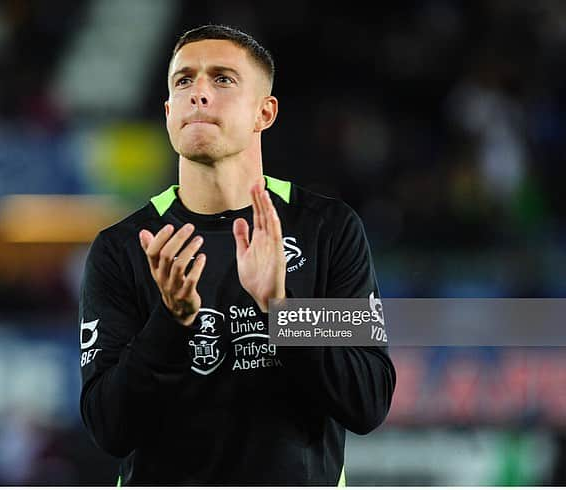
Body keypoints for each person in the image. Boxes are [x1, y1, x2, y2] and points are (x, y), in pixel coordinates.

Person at [79, 24, 396, 485]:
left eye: (223, 79)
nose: (198, 93)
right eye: (183, 81)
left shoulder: (324, 230)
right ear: (169, 112)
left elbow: (367, 402)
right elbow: (109, 429)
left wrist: (280, 310)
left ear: (263, 113)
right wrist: (172, 320)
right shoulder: (128, 248)